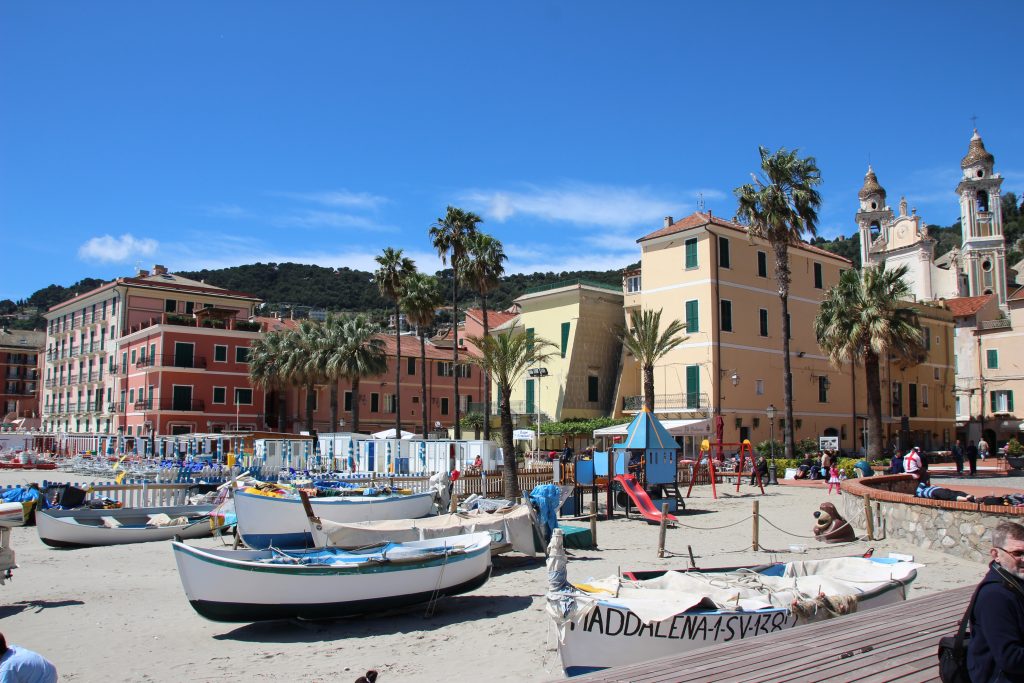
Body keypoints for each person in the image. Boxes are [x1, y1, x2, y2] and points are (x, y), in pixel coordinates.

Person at [967, 521, 1024, 683]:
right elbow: (1011, 659)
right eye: (1018, 553)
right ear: (996, 555)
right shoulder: (995, 596)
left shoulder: (1014, 580)